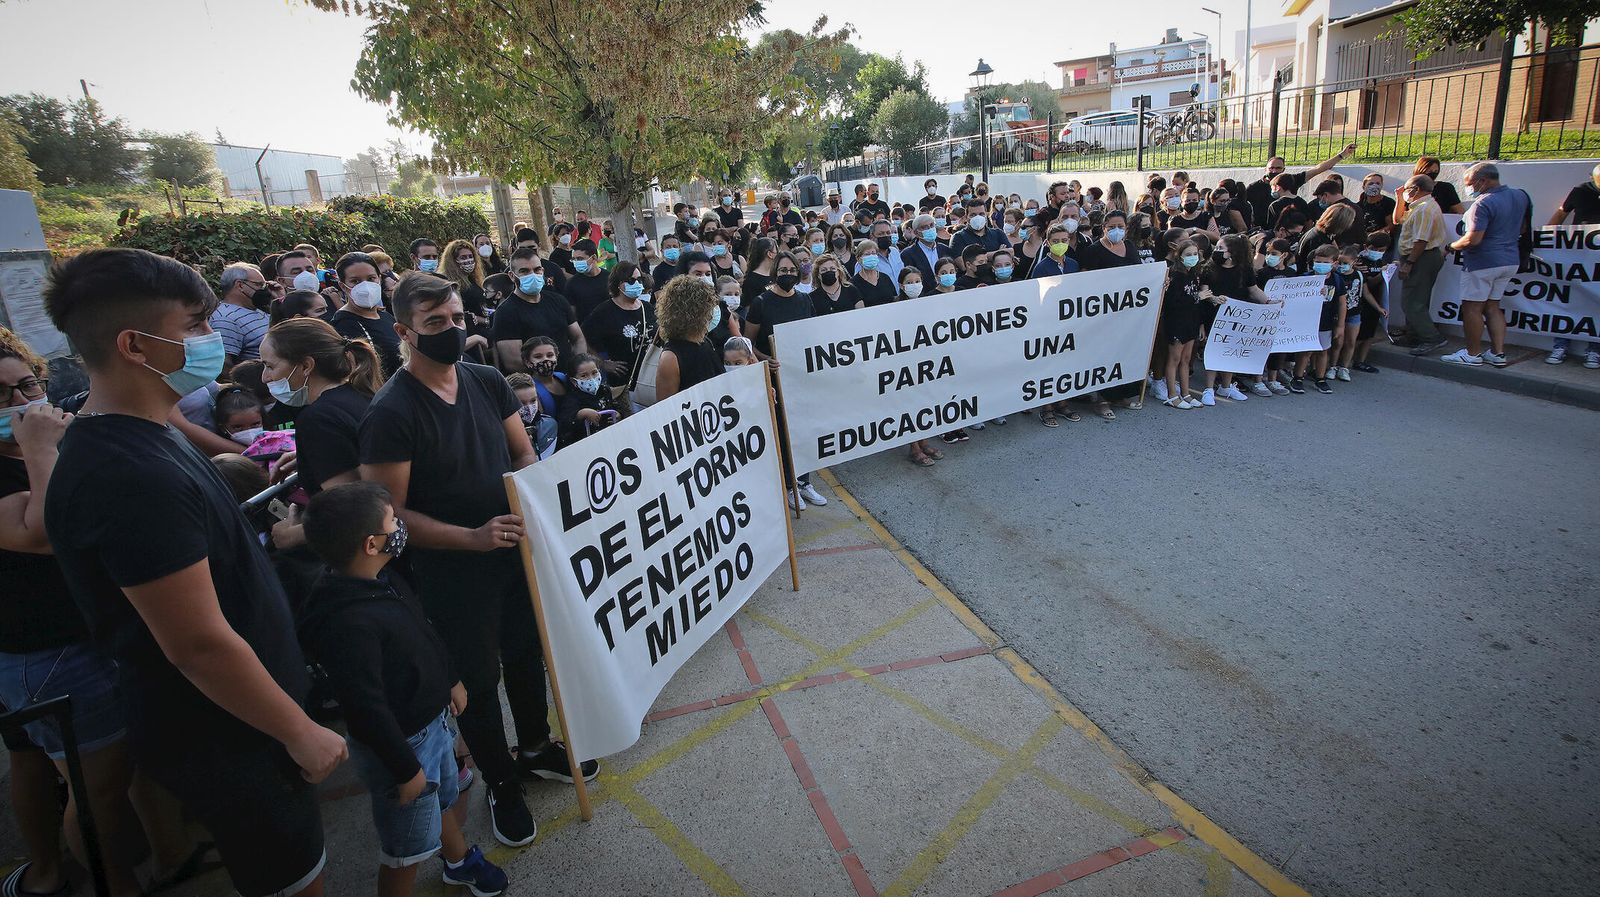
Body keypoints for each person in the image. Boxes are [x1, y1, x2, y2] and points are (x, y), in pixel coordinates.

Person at [42, 248, 346, 897]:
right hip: (234, 737)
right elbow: (196, 643)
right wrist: (299, 731)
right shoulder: (127, 475)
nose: (211, 339)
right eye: (194, 325)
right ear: (134, 344)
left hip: (249, 723)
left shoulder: (149, 434)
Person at [360, 273, 594, 850]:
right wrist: (472, 537)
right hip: (453, 573)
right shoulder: (390, 413)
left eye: (458, 319)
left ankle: (536, 747)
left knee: (525, 653)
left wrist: (528, 494)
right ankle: (501, 781)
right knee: (478, 684)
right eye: (435, 324)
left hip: (513, 550)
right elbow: (389, 515)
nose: (452, 331)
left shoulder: (486, 380)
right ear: (403, 332)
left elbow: (521, 450)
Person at [299, 482, 506, 897]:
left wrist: (449, 677)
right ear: (372, 543)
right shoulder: (347, 625)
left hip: (431, 726)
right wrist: (405, 769)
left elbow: (422, 631)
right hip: (403, 749)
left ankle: (459, 860)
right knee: (406, 850)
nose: (400, 526)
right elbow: (365, 709)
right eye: (393, 521)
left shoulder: (383, 577)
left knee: (443, 800)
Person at [259, 317, 383, 496]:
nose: (265, 377)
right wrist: (316, 457)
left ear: (306, 366)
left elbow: (355, 510)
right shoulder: (362, 393)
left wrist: (294, 525)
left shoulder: (318, 419)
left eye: (270, 366)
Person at [1442, 162, 1530, 368]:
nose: (1469, 188)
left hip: (1483, 262)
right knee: (1493, 305)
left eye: (1470, 183)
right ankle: (1498, 353)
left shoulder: (1482, 204)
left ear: (1483, 181)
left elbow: (1473, 239)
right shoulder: (1520, 196)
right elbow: (1524, 227)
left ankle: (1472, 353)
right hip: (1509, 259)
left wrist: (1450, 246)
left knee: (1471, 308)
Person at [492, 247, 588, 374]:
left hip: (569, 377)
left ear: (542, 271)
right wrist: (548, 378)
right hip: (538, 386)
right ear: (512, 275)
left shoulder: (558, 301)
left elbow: (578, 338)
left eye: (537, 269)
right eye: (524, 271)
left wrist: (577, 367)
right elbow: (513, 362)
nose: (532, 275)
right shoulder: (506, 312)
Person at [583, 261, 656, 391]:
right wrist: (602, 363)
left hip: (651, 378)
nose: (637, 284)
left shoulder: (648, 308)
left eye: (639, 279)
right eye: (631, 280)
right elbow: (582, 339)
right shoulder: (604, 312)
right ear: (618, 283)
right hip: (623, 383)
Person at [330, 252, 403, 379]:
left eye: (371, 279)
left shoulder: (385, 316)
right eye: (355, 281)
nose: (365, 286)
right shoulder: (344, 324)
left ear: (379, 279)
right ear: (343, 286)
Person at [1244, 143, 1356, 226]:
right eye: (1271, 168)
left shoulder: (1291, 180)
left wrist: (1342, 155)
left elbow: (1318, 169)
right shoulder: (1254, 187)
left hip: (1291, 229)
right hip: (1264, 230)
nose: (1274, 171)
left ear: (1284, 169)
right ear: (1266, 169)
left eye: (1278, 168)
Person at [653, 274, 722, 401]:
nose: (713, 313)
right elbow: (666, 409)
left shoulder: (706, 342)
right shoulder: (670, 358)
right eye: (708, 307)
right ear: (694, 313)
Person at [1161, 240, 1206, 409]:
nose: (1193, 257)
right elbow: (1173, 302)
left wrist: (1201, 324)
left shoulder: (1194, 274)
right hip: (1177, 322)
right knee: (1174, 358)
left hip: (1191, 321)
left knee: (1186, 359)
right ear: (1179, 256)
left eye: (1195, 254)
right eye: (1188, 254)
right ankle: (1172, 394)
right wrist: (1197, 297)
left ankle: (1186, 393)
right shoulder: (1175, 275)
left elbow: (1198, 302)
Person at [210, 262, 274, 376]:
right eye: (259, 285)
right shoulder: (226, 319)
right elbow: (224, 365)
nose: (264, 290)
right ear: (240, 285)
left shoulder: (255, 309)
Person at [556, 354, 624, 448]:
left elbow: (614, 406)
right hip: (586, 445)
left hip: (609, 439)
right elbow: (565, 424)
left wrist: (618, 414)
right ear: (574, 381)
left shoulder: (604, 390)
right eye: (584, 376)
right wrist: (581, 414)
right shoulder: (571, 399)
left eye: (594, 373)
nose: (591, 379)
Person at [1394, 156, 1465, 222]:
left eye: (1436, 171)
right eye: (1429, 171)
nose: (1432, 174)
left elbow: (1459, 211)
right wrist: (1400, 198)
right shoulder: (1408, 189)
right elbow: (1397, 219)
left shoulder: (1446, 188)